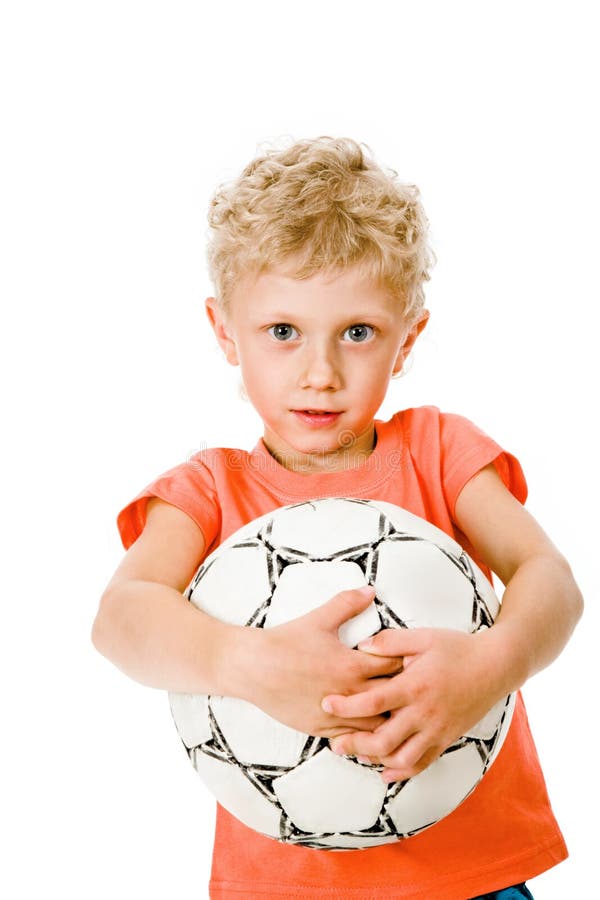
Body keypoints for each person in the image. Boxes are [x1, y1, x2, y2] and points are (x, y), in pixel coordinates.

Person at [91, 136, 583, 899]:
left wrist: (492, 665)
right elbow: (121, 618)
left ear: (407, 338)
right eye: (282, 332)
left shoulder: (440, 451)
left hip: (473, 876)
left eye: (358, 333)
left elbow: (550, 579)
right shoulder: (210, 490)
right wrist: (245, 664)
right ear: (226, 332)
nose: (319, 374)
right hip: (281, 886)